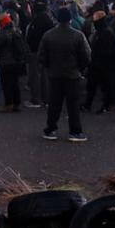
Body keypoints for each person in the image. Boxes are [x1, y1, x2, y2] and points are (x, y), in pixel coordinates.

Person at [39, 8, 91, 142]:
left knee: (54, 103)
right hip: (72, 74)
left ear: (57, 19)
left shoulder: (48, 35)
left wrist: (49, 67)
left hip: (54, 74)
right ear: (70, 19)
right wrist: (80, 69)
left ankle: (50, 129)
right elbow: (86, 56)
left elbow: (42, 56)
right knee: (73, 104)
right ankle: (75, 131)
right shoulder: (78, 35)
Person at [0, 13, 27, 112]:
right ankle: (16, 104)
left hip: (6, 61)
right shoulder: (17, 30)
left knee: (6, 83)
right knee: (15, 83)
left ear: (3, 23)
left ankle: (8, 104)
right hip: (17, 61)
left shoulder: (4, 33)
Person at [24, 0, 55, 108]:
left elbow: (31, 37)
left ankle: (36, 100)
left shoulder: (36, 19)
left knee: (35, 77)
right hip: (46, 52)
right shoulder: (49, 19)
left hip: (35, 51)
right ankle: (46, 100)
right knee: (45, 77)